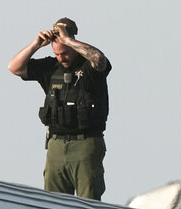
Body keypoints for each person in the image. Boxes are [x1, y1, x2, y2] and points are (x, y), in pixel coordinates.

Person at [8, 18, 111, 199]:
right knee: (54, 205)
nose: (61, 58)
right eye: (57, 54)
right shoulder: (51, 67)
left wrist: (68, 41)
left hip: (85, 145)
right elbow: (14, 67)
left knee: (89, 206)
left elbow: (100, 60)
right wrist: (36, 44)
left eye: (64, 53)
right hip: (56, 145)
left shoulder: (88, 68)